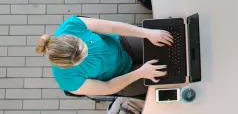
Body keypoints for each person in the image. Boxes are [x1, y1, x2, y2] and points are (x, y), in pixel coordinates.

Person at [36, 16, 173, 97]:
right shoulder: (67, 80)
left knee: (167, 43)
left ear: (71, 37)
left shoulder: (72, 25)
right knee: (170, 76)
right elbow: (107, 87)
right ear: (68, 65)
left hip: (121, 45)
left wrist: (148, 33)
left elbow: (112, 28)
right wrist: (140, 73)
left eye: (84, 46)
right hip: (120, 78)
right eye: (82, 58)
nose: (88, 54)